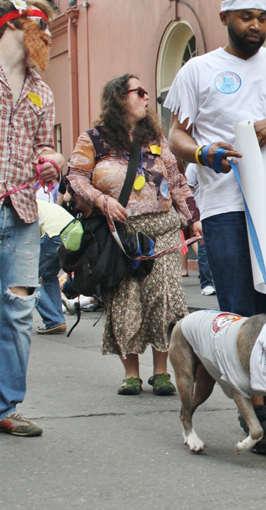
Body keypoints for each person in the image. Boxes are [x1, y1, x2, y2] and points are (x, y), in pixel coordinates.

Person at [165, 0, 266, 455]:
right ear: (225, 19)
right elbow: (175, 135)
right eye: (246, 18)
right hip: (225, 206)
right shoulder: (198, 70)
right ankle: (253, 416)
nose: (255, 26)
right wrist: (202, 153)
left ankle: (263, 408)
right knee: (238, 310)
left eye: (262, 18)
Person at [67, 74, 201, 396]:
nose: (145, 97)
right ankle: (131, 374)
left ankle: (161, 372)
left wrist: (192, 219)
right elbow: (75, 177)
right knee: (126, 302)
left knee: (164, 299)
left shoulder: (154, 136)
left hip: (164, 230)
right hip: (122, 235)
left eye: (146, 91)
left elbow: (177, 181)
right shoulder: (94, 139)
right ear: (118, 98)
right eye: (138, 91)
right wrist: (102, 200)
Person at [0, 0, 63, 438]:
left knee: (19, 311)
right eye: (38, 26)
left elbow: (44, 146)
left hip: (21, 214)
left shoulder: (42, 92)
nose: (44, 35)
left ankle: (6, 406)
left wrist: (52, 159)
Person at [34, 200, 73, 334]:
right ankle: (58, 320)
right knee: (49, 276)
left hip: (53, 233)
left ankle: (53, 320)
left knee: (28, 280)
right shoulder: (38, 202)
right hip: (70, 233)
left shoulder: (16, 205)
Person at [184, 162, 215, 296]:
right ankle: (206, 284)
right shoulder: (193, 165)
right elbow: (186, 191)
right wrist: (192, 216)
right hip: (202, 213)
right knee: (204, 250)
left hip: (220, 210)